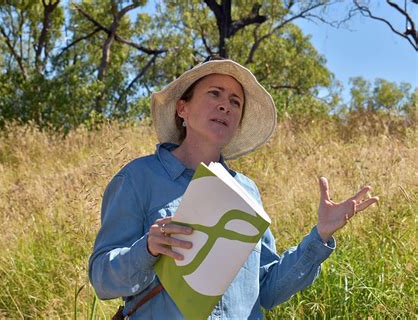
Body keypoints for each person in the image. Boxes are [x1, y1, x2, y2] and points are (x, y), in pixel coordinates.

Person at [88, 57, 379, 319]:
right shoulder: (138, 178)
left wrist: (320, 236)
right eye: (214, 94)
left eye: (235, 101)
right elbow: (102, 279)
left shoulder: (246, 190)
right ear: (182, 108)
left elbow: (267, 290)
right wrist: (148, 248)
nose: (225, 105)